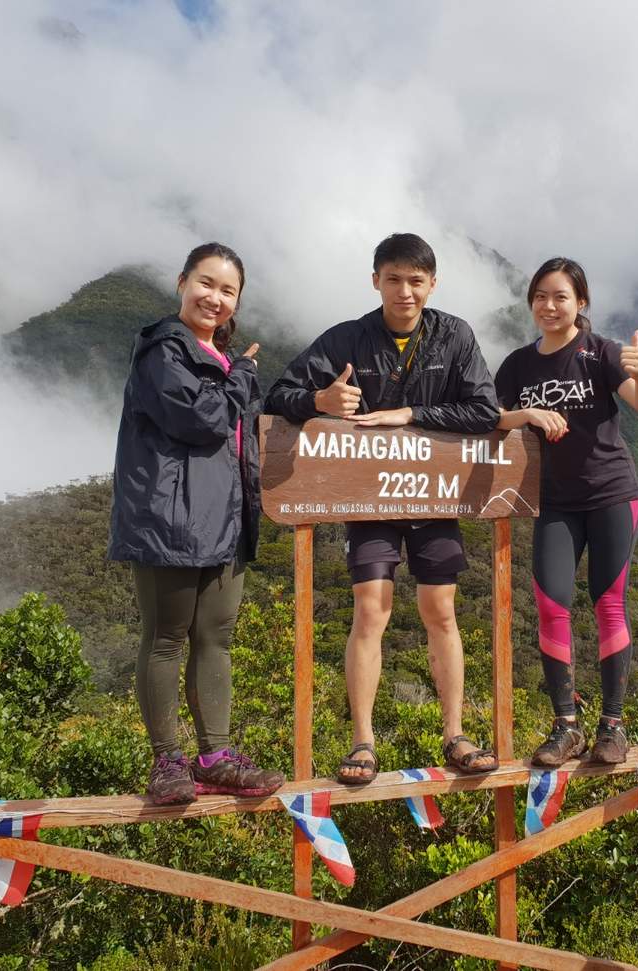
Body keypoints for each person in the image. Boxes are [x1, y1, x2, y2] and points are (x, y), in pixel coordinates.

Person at [265, 232, 500, 784]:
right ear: (376, 281)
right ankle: (363, 741)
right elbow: (278, 394)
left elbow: (484, 409)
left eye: (416, 281)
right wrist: (318, 401)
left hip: (433, 494)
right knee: (371, 610)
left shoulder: (454, 336)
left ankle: (455, 733)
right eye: (393, 279)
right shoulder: (347, 339)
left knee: (440, 611)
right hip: (369, 497)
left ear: (432, 283)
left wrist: (410, 413)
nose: (405, 291)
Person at [109, 242, 285, 805]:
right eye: (206, 283)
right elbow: (202, 418)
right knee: (164, 640)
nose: (215, 298)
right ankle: (168, 763)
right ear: (182, 282)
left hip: (225, 522)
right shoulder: (164, 350)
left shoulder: (224, 362)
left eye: (228, 290)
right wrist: (246, 378)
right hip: (170, 519)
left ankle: (215, 756)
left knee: (216, 639)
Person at [493, 257, 638, 765]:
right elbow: (491, 416)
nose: (549, 305)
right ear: (531, 302)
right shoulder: (519, 364)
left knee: (608, 603)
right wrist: (526, 414)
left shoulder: (600, 353)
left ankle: (613, 724)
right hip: (556, 501)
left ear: (580, 303)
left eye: (561, 296)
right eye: (541, 296)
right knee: (551, 603)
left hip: (611, 493)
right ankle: (566, 726)